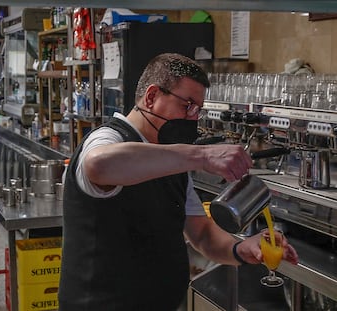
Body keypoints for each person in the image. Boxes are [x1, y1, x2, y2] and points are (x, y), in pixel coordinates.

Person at [58, 53, 299, 311]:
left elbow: (202, 234)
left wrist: (242, 248)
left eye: (198, 110)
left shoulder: (170, 159)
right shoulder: (108, 138)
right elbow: (99, 164)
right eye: (188, 105)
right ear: (151, 97)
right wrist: (202, 155)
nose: (193, 118)